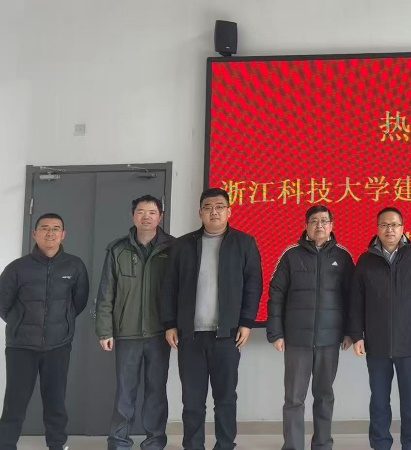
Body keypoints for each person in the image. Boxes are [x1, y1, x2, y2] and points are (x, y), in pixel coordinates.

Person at [162, 187, 262, 450]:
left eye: (219, 207)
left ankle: (225, 444)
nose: (214, 211)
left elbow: (254, 285)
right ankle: (193, 445)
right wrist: (170, 323)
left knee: (225, 398)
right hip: (190, 336)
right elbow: (169, 286)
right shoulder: (182, 245)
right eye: (208, 207)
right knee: (192, 400)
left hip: (226, 336)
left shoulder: (244, 243)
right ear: (200, 213)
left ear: (229, 212)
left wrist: (246, 322)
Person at [349, 207, 411, 450]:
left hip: (409, 343)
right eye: (385, 225)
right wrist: (357, 335)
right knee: (379, 401)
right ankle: (380, 444)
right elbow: (356, 302)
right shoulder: (366, 261)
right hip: (376, 343)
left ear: (403, 228)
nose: (390, 230)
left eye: (395, 225)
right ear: (377, 228)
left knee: (410, 401)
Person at [267, 205, 354, 450]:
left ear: (332, 226)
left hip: (330, 339)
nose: (319, 225)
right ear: (306, 226)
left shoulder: (343, 256)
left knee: (324, 396)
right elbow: (276, 294)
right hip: (297, 339)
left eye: (324, 221)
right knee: (294, 399)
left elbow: (353, 297)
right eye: (314, 221)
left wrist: (350, 332)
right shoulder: (291, 255)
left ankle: (323, 444)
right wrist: (276, 332)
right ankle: (293, 446)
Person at [0, 213, 90, 450]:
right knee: (15, 403)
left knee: (55, 402)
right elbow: (3, 305)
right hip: (21, 347)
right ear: (35, 233)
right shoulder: (17, 268)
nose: (50, 233)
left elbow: (78, 302)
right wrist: (22, 323)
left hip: (58, 346)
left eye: (56, 228)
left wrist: (61, 324)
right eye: (45, 228)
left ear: (63, 234)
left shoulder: (75, 266)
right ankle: (6, 444)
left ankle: (57, 445)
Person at [95, 194, 176, 450]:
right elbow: (106, 292)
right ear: (133, 216)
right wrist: (104, 330)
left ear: (160, 217)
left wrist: (177, 327)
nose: (146, 217)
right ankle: (119, 441)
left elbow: (182, 291)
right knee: (125, 391)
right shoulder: (117, 249)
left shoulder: (174, 248)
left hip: (159, 333)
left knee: (156, 391)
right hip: (126, 333)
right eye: (141, 212)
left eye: (152, 212)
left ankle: (155, 441)